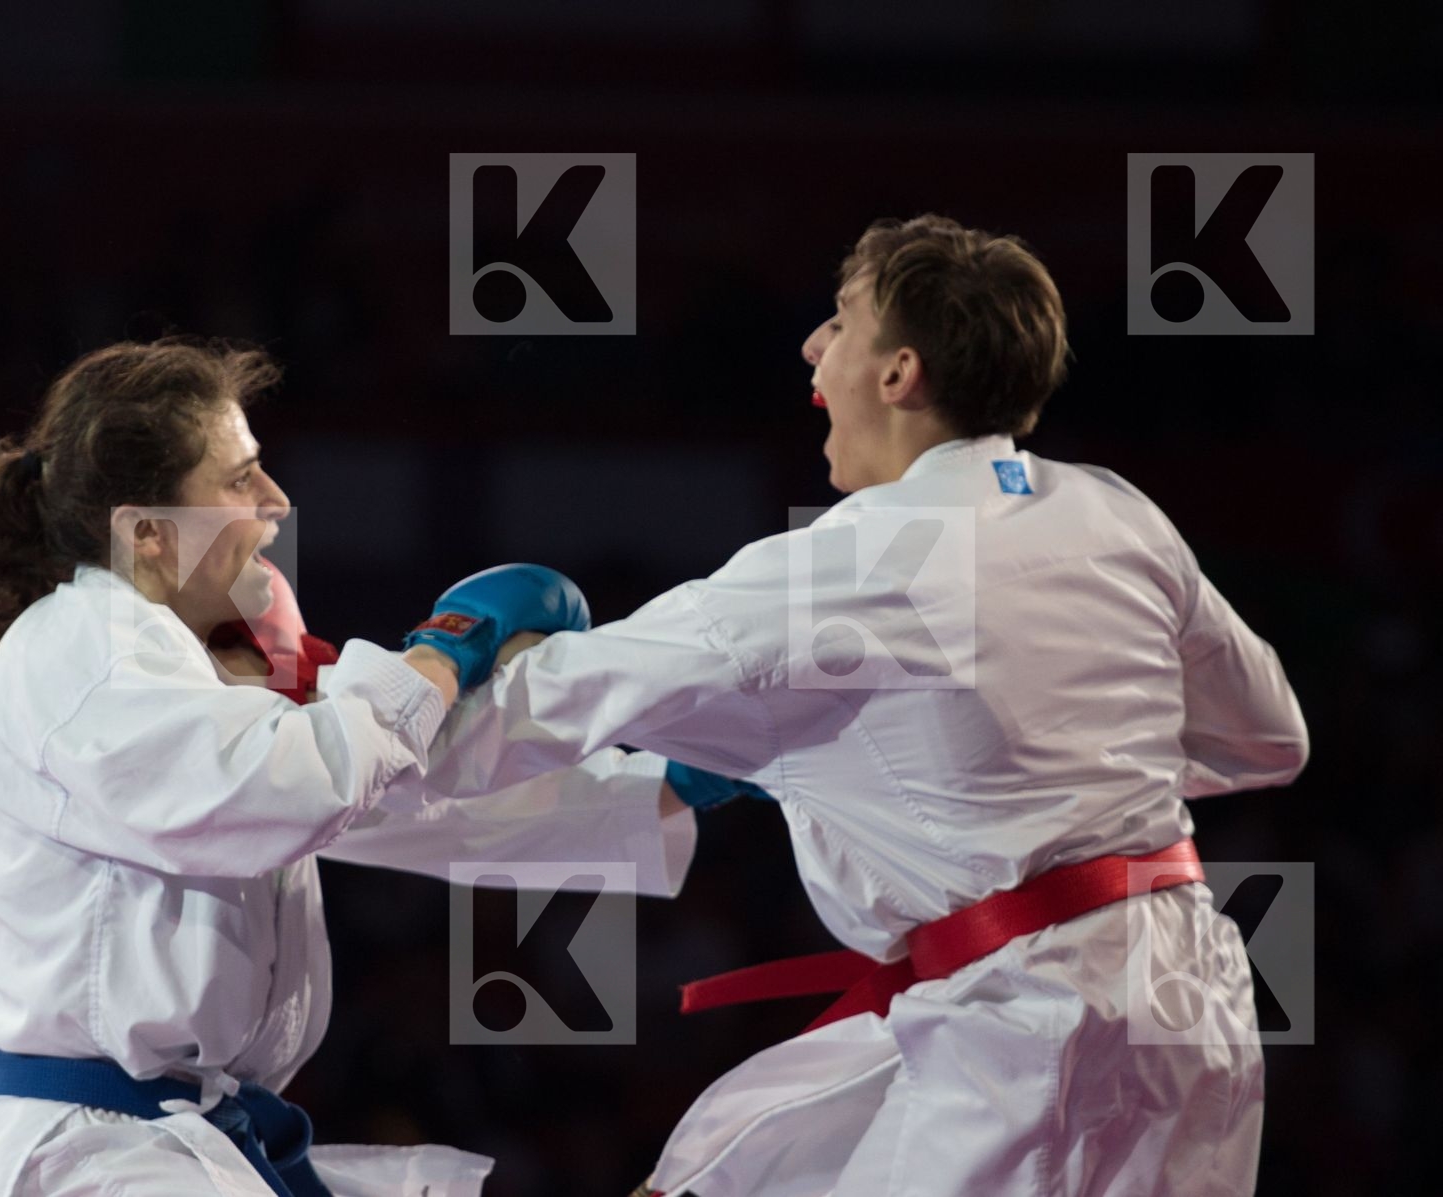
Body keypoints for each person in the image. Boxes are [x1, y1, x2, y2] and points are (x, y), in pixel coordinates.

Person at [407, 214, 1310, 1195]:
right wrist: (981, 767)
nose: (811, 346)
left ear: (898, 373)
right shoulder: (1113, 508)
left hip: (1035, 1023)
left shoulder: (851, 561)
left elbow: (542, 706)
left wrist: (444, 651)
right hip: (1179, 996)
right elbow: (1271, 740)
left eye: (839, 321)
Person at [0, 338, 719, 1197]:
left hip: (181, 1144)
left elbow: (401, 796)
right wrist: (444, 652)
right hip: (93, 1157)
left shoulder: (204, 662)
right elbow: (297, 781)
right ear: (149, 532)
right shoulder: (83, 656)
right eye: (238, 477)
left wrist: (660, 790)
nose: (276, 498)